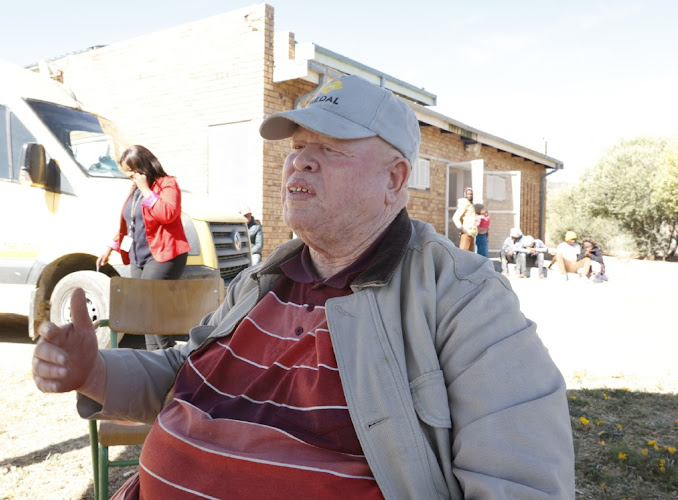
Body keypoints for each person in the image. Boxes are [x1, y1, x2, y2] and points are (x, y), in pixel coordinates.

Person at [33, 74, 574, 498]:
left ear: (394, 179)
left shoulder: (461, 297)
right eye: (297, 146)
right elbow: (188, 375)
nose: (300, 159)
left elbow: (522, 482)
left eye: (331, 147)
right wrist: (94, 371)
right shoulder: (262, 279)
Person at [95, 145, 190, 350]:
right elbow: (131, 222)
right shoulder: (134, 189)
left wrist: (147, 190)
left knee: (152, 305)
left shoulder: (167, 184)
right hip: (139, 257)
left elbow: (167, 214)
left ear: (143, 166)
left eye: (132, 170)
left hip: (164, 254)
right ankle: (154, 359)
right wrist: (111, 247)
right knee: (143, 310)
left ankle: (168, 357)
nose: (130, 176)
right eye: (127, 172)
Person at [452, 187, 478, 251]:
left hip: (471, 234)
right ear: (465, 195)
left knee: (470, 258)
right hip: (466, 233)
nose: (470, 195)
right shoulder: (464, 203)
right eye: (468, 194)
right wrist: (462, 228)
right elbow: (455, 217)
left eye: (471, 194)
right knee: (463, 256)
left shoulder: (470, 204)